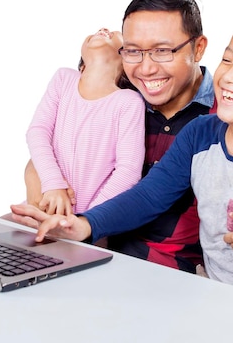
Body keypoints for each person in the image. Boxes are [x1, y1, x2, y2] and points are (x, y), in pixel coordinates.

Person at [10, 10, 233, 312]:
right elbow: (151, 195)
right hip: (220, 298)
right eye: (228, 59)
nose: (229, 75)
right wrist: (83, 225)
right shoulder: (201, 134)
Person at [23, 27, 145, 220]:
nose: (104, 29)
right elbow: (37, 132)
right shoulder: (63, 79)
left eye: (116, 31)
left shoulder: (129, 102)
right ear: (82, 66)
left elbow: (128, 172)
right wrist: (53, 184)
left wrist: (86, 220)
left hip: (86, 229)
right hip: (41, 208)